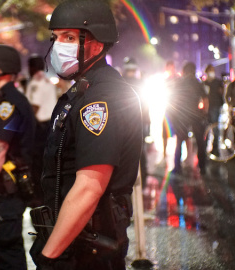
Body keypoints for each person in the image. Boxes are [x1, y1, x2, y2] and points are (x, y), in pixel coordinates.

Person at [29, 1, 143, 269]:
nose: (58, 46)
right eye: (56, 38)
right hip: (74, 242)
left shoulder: (102, 98)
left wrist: (49, 257)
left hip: (88, 251)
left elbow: (90, 186)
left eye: (69, 37)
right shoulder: (82, 91)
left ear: (98, 43)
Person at [0, 44, 35, 270]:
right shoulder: (6, 99)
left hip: (7, 192)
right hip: (7, 191)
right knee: (7, 251)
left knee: (8, 254)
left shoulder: (7, 104)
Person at [25, 54, 58, 206]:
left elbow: (33, 107)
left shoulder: (35, 83)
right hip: (51, 126)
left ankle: (41, 196)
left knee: (38, 164)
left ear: (31, 67)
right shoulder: (46, 80)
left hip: (40, 128)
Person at [171, 62, 208, 174]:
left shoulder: (180, 82)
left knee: (180, 141)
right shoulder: (198, 83)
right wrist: (204, 113)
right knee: (200, 141)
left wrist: (175, 115)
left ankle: (177, 167)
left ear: (184, 71)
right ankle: (202, 167)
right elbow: (205, 99)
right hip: (196, 114)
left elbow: (174, 100)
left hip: (182, 115)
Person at [122, 56, 149, 188]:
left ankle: (130, 181)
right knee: (139, 152)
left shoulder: (121, 82)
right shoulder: (139, 83)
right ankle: (142, 180)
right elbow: (146, 105)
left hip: (127, 123)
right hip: (137, 122)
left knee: (128, 153)